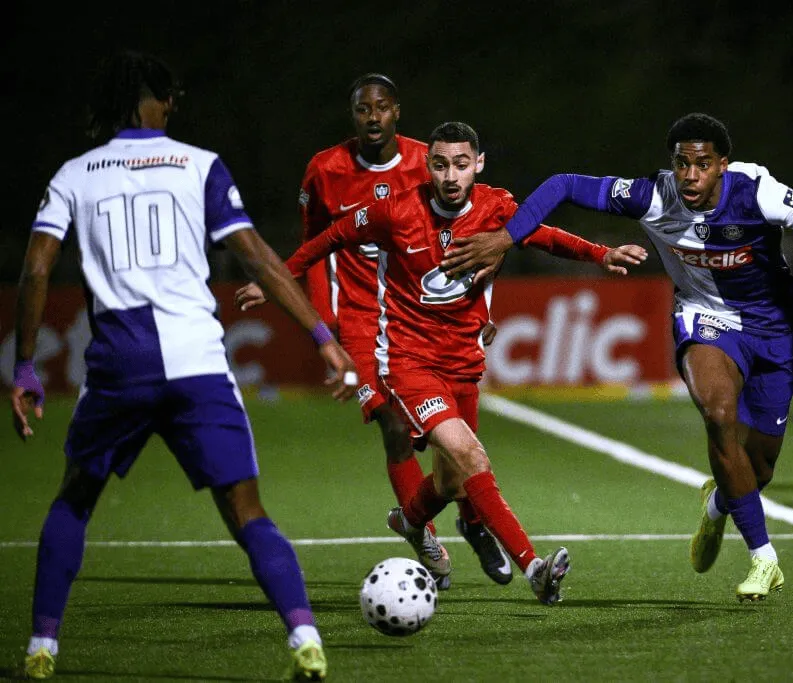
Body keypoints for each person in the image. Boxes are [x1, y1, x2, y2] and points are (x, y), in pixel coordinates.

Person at [437, 112, 793, 602]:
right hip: (703, 317)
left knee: (758, 469)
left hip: (773, 330)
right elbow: (563, 184)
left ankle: (717, 505)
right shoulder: (652, 195)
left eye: (702, 165)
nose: (690, 176)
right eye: (681, 164)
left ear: (722, 166)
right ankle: (764, 558)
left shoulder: (760, 194)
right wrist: (506, 238)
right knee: (718, 413)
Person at [9, 50, 356, 681]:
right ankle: (305, 637)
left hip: (119, 366)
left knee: (74, 500)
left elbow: (35, 269)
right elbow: (257, 257)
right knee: (247, 511)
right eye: (173, 99)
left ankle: (42, 646)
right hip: (196, 362)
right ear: (162, 100)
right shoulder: (199, 164)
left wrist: (26, 366)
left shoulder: (74, 174)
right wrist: (320, 335)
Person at [237, 121, 648, 604]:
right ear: (426, 166)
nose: (450, 176)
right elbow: (329, 237)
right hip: (408, 360)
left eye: (460, 164)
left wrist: (601, 254)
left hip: (464, 361)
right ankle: (534, 568)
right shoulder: (395, 211)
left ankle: (410, 519)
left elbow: (542, 235)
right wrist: (276, 281)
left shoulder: (495, 207)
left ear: (478, 164)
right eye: (440, 164)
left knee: (452, 480)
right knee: (471, 456)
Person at [275, 72, 509, 587]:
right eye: (363, 109)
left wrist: (482, 311)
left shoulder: (431, 159)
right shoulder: (325, 169)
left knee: (456, 436)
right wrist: (324, 326)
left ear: (397, 111)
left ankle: (474, 523)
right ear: (353, 115)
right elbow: (316, 245)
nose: (373, 117)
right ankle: (423, 535)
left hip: (417, 316)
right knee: (395, 426)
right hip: (359, 320)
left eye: (381, 107)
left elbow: (482, 236)